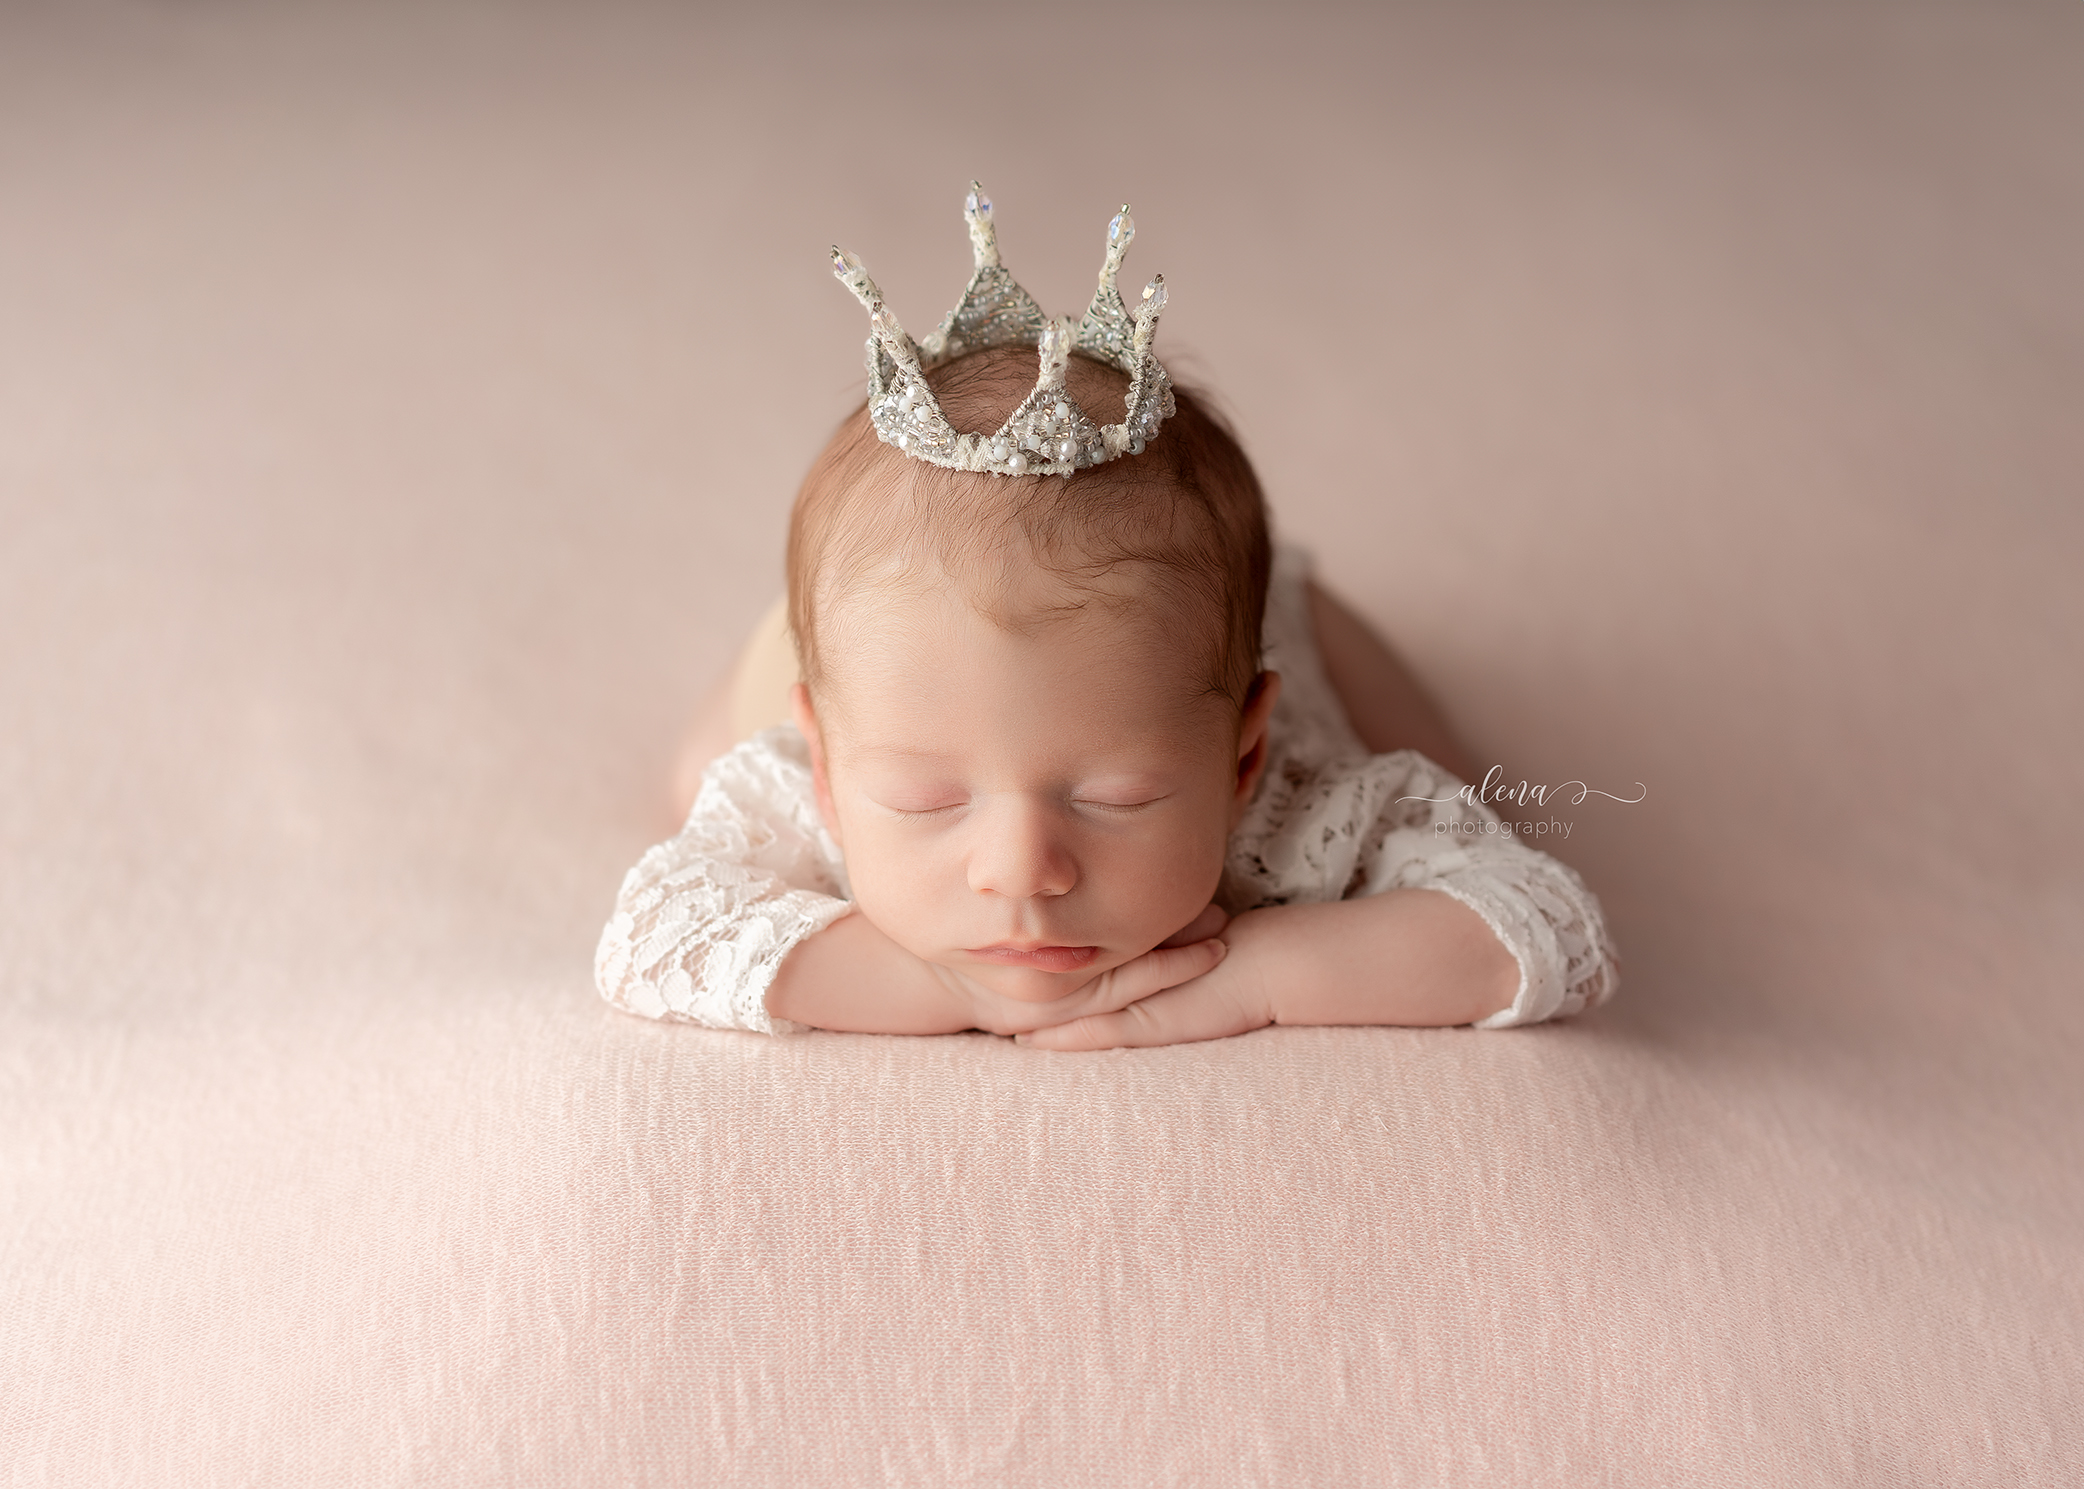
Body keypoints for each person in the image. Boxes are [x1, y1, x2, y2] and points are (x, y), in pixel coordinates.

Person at [595, 187, 1618, 1050]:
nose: (1021, 870)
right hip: (833, 651)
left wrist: (1255, 973)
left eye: (1117, 795)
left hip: (1264, 626)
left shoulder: (1305, 819)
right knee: (692, 782)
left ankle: (1289, 599)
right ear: (824, 768)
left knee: (1450, 768)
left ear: (1243, 759)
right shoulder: (801, 794)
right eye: (922, 798)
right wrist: (944, 987)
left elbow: (1547, 925)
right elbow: (646, 938)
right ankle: (808, 640)